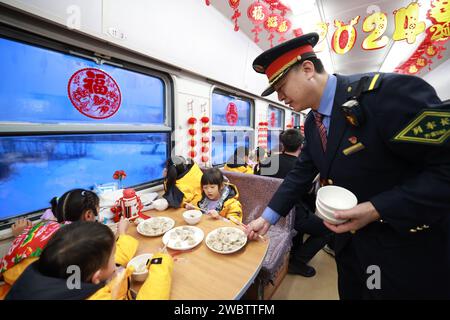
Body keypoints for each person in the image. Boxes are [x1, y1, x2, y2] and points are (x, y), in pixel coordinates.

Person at [246, 32, 450, 299]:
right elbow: (301, 172)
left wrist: (377, 208)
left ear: (308, 69)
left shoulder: (385, 94)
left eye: (282, 85)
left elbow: (443, 169)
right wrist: (268, 217)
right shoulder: (312, 121)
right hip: (348, 245)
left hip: (398, 248)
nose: (281, 96)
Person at [0, 189, 136, 297]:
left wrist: (20, 234)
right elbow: (107, 264)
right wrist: (122, 233)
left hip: (15, 284)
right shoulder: (77, 243)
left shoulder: (44, 226)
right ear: (88, 215)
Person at [6, 221, 173, 300]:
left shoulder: (54, 272)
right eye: (112, 255)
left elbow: (107, 262)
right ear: (97, 276)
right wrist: (161, 263)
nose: (114, 261)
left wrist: (123, 236)